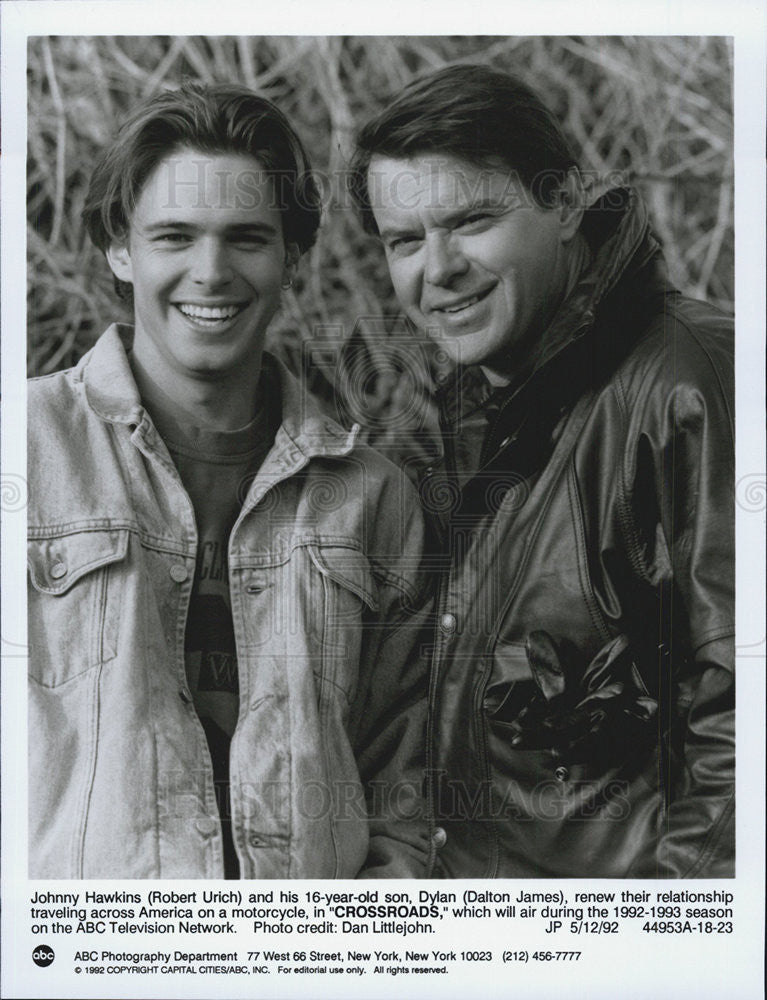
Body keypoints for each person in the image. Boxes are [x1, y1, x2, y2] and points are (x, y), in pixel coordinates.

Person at [28, 83, 431, 879]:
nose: (210, 273)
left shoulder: (373, 498)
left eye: (246, 238)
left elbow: (405, 790)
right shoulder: (22, 450)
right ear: (120, 249)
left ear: (291, 254)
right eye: (174, 236)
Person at [349, 64, 734, 878]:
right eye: (404, 241)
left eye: (471, 220)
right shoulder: (465, 410)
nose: (438, 267)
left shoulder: (690, 384)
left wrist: (672, 955)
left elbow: (739, 722)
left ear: (562, 204)